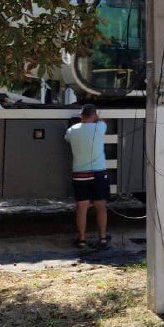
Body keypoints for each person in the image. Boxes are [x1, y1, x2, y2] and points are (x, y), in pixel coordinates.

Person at [64, 104, 110, 250]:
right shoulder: (100, 127)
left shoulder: (72, 130)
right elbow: (101, 121)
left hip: (80, 174)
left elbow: (66, 138)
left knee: (81, 208)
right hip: (98, 174)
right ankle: (102, 239)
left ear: (81, 116)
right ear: (94, 116)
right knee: (101, 207)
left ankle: (82, 240)